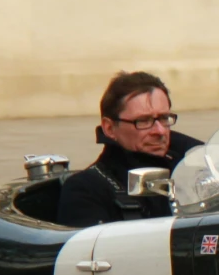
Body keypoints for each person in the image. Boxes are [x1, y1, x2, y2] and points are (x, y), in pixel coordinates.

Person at [58, 71, 204, 228]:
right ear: (109, 128)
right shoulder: (87, 189)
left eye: (163, 118)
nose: (160, 131)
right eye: (143, 121)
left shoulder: (190, 169)